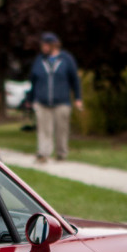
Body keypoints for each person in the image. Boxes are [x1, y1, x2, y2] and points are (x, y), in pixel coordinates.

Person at [28, 32, 82, 162]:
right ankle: (43, 153)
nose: (43, 47)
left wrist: (78, 98)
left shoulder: (66, 59)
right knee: (44, 130)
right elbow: (33, 81)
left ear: (54, 45)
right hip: (42, 101)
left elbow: (75, 80)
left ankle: (61, 153)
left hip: (62, 101)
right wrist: (30, 100)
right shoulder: (40, 60)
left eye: (46, 45)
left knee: (61, 130)